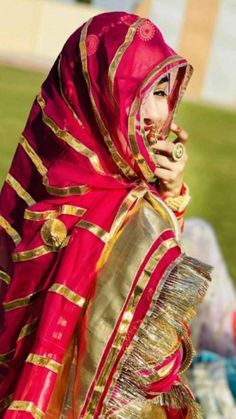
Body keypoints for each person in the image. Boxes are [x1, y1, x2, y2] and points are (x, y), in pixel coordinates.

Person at [0, 12, 212, 418]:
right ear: (96, 97)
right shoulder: (127, 213)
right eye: (142, 93)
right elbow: (154, 372)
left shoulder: (39, 190)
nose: (156, 115)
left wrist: (167, 200)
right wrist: (158, 212)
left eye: (162, 93)